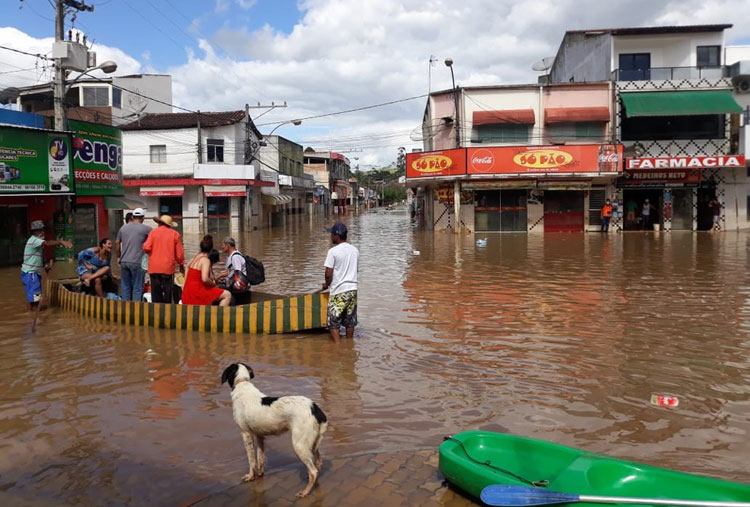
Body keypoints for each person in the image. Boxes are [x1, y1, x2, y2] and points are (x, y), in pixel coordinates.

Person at [21, 220, 72, 311]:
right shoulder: (34, 240)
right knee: (36, 301)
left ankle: (31, 315)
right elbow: (48, 243)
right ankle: (37, 318)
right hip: (31, 274)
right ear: (34, 232)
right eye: (40, 230)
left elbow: (40, 255)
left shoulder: (37, 242)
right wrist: (61, 242)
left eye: (43, 230)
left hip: (31, 273)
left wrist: (46, 265)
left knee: (34, 298)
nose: (42, 232)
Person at [322, 222, 359, 343]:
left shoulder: (333, 252)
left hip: (339, 291)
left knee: (334, 322)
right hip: (352, 290)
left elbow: (328, 274)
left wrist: (326, 284)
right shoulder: (355, 250)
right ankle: (349, 345)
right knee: (350, 321)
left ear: (336, 236)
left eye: (332, 234)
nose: (330, 237)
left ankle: (338, 348)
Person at [142, 215, 185, 304]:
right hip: (167, 268)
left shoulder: (153, 233)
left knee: (155, 291)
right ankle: (167, 310)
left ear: (159, 223)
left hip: (154, 268)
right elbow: (179, 254)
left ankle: (156, 310)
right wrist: (181, 265)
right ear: (169, 225)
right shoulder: (175, 234)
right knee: (167, 291)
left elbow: (146, 247)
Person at [182, 235, 231, 306]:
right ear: (211, 250)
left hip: (187, 292)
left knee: (211, 292)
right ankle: (218, 316)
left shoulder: (195, 258)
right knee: (227, 295)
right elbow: (205, 279)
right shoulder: (206, 260)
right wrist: (213, 284)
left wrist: (186, 284)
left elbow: (187, 267)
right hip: (196, 293)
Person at [115, 207, 151, 301]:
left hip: (124, 261)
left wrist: (118, 256)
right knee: (137, 287)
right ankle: (136, 309)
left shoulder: (123, 228)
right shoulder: (146, 229)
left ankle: (125, 307)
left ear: (132, 217)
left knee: (125, 286)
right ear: (143, 218)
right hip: (137, 262)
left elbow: (117, 243)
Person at [217, 237, 250, 305]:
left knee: (216, 288)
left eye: (223, 245)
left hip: (238, 286)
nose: (222, 247)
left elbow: (238, 273)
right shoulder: (231, 256)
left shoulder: (235, 257)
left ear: (228, 245)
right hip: (232, 284)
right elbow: (231, 272)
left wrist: (220, 276)